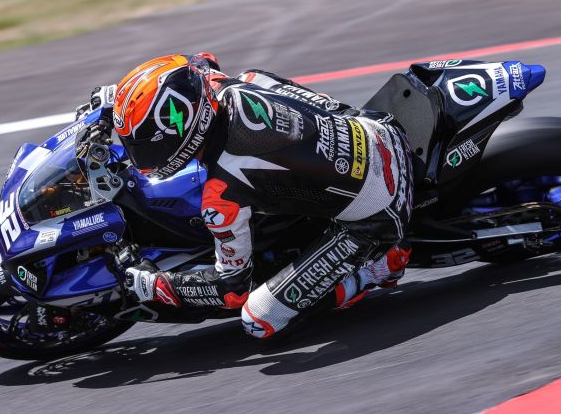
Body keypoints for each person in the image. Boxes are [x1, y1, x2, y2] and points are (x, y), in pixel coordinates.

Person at [83, 53, 412, 339]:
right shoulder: (216, 87)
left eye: (144, 147)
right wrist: (115, 101)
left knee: (258, 319)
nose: (141, 158)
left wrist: (153, 285)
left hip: (381, 210)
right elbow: (199, 62)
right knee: (255, 78)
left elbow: (231, 291)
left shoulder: (221, 192)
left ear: (177, 135)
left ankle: (379, 268)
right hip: (375, 129)